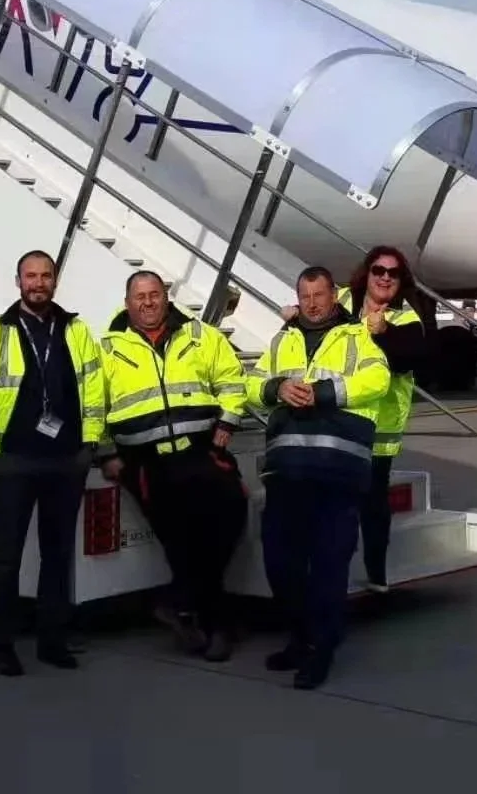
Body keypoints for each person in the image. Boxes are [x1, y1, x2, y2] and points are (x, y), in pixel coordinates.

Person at [0, 249, 108, 677]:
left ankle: (52, 641)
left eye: (46, 276)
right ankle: (3, 643)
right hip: (14, 461)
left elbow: (94, 387)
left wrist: (89, 446)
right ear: (18, 282)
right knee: (5, 558)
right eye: (31, 276)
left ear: (55, 281)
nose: (39, 283)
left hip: (65, 461)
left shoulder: (77, 330)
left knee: (57, 556)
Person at [96, 270, 251, 662]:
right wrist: (107, 454)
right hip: (146, 461)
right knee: (185, 542)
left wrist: (227, 423)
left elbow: (233, 381)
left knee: (233, 512)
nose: (148, 303)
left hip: (201, 449)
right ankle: (214, 626)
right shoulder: (107, 348)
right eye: (139, 297)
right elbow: (92, 406)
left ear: (166, 297)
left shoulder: (200, 336)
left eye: (154, 295)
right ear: (127, 302)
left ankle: (180, 602)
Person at [247, 266, 390, 689]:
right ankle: (299, 638)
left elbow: (378, 379)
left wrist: (324, 393)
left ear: (334, 297)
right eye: (305, 295)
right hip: (287, 473)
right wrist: (277, 390)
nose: (312, 303)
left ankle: (321, 650)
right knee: (280, 565)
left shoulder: (357, 336)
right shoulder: (282, 339)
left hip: (336, 475)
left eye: (320, 294)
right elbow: (251, 383)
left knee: (328, 567)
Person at [337, 246, 431, 592]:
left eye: (393, 273)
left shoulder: (405, 318)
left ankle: (376, 572)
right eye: (379, 270)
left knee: (372, 502)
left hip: (378, 429)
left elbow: (410, 358)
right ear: (368, 272)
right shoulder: (343, 300)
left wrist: (383, 333)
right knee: (337, 500)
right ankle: (334, 570)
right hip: (339, 419)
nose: (385, 278)